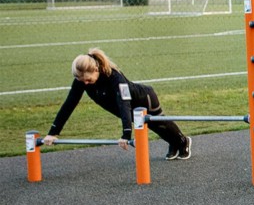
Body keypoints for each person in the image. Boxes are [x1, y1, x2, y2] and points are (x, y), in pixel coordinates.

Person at [43, 48, 192, 160]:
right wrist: (53, 132)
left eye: (88, 80)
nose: (85, 84)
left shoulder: (114, 77)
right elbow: (69, 105)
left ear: (96, 70)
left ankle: (183, 141)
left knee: (160, 124)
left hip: (144, 99)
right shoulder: (81, 81)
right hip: (127, 107)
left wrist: (126, 134)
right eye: (83, 81)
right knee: (156, 128)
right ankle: (173, 143)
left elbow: (124, 103)